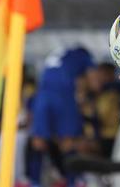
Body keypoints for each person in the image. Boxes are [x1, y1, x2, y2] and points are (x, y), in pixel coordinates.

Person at [29, 46, 102, 187]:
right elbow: (95, 84)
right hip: (63, 96)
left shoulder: (58, 53)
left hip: (42, 96)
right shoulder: (84, 56)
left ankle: (35, 182)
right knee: (68, 143)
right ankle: (72, 181)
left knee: (38, 142)